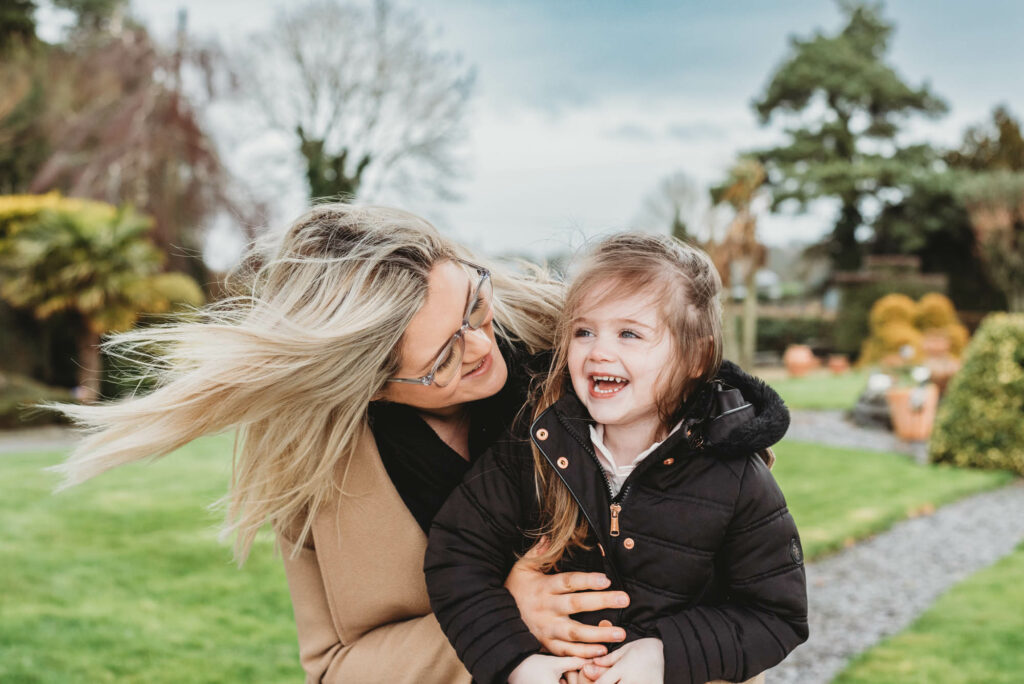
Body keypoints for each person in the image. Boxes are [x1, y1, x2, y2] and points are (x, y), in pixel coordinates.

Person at [49, 204, 629, 683]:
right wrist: (500, 616)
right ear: (370, 387)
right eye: (443, 359)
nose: (482, 345)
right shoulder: (305, 460)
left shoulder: (583, 353)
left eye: (474, 306)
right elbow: (333, 668)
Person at [425, 233, 809, 684]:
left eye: (629, 333)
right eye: (584, 331)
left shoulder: (736, 476)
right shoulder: (533, 446)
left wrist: (664, 654)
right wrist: (516, 663)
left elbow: (776, 616)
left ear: (697, 356)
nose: (599, 352)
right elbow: (455, 560)